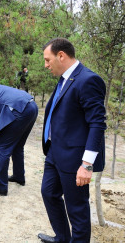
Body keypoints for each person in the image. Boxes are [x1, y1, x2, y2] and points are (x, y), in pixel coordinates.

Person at [38, 38, 106, 242]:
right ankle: (62, 238)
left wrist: (86, 164)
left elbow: (97, 124)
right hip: (55, 152)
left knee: (77, 210)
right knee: (49, 193)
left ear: (61, 55)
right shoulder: (64, 78)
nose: (45, 65)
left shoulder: (88, 80)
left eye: (47, 60)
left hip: (75, 159)